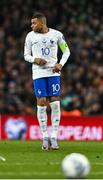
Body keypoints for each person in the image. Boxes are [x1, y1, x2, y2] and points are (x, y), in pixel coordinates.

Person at [24, 12, 70, 150]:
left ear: (42, 23)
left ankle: (54, 137)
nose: (31, 25)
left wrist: (60, 64)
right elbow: (26, 55)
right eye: (31, 23)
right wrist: (35, 59)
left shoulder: (57, 35)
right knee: (42, 101)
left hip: (53, 72)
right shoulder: (30, 36)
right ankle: (45, 137)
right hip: (38, 72)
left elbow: (66, 51)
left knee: (55, 102)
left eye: (34, 23)